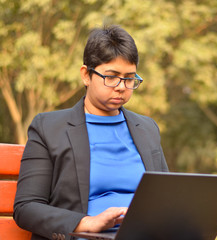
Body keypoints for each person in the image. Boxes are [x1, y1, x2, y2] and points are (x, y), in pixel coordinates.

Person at [13, 25, 168, 240]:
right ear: (86, 75)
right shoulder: (48, 128)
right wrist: (86, 223)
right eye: (111, 77)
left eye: (129, 78)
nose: (121, 87)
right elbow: (26, 207)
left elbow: (167, 197)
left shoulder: (147, 129)